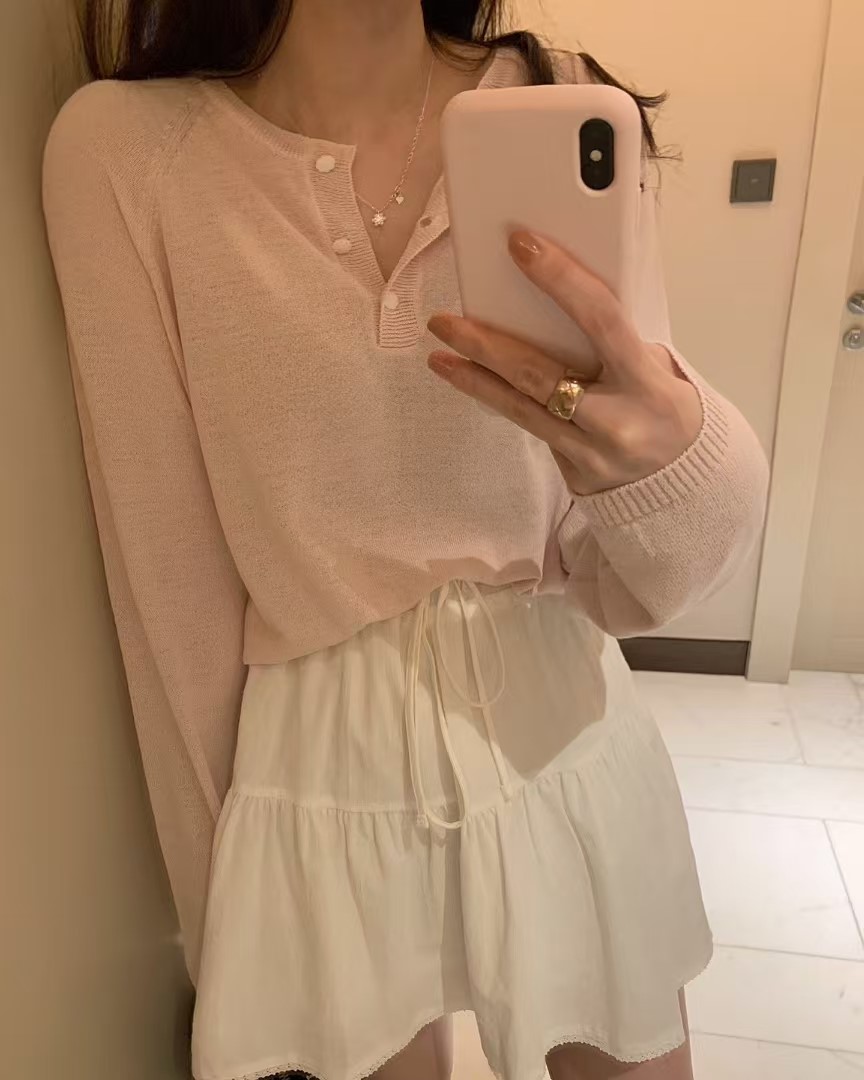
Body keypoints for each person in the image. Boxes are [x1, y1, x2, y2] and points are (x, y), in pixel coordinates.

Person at [42, 1, 768, 1078]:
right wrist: (231, 946)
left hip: (561, 720)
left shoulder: (557, 100)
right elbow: (169, 601)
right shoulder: (126, 153)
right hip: (319, 767)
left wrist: (674, 456)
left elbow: (637, 578)